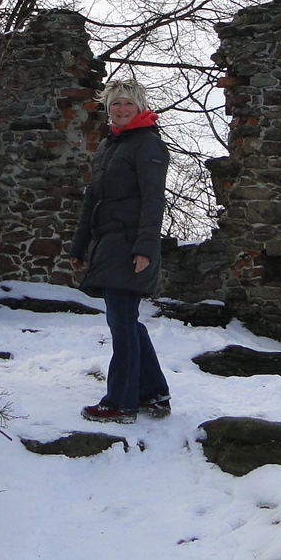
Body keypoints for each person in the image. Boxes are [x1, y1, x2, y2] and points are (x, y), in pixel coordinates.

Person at [68, 78, 172, 424]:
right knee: (126, 321)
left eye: (128, 103)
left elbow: (153, 200)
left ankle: (121, 402)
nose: (122, 109)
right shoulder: (110, 146)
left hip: (131, 247)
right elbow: (92, 200)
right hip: (109, 245)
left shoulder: (148, 145)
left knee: (122, 324)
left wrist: (144, 248)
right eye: (116, 104)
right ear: (108, 108)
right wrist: (80, 245)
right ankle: (152, 393)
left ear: (140, 107)